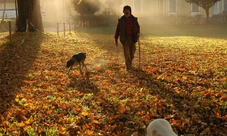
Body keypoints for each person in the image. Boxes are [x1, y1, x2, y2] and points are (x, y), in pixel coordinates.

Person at [114, 5, 140, 71]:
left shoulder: (134, 19)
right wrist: (116, 39)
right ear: (123, 11)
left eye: (128, 10)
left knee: (132, 53)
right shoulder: (121, 21)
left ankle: (129, 64)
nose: (127, 12)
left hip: (133, 38)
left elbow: (138, 27)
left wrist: (138, 32)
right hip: (125, 39)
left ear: (130, 11)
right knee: (127, 54)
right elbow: (117, 30)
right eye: (125, 10)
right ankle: (128, 68)